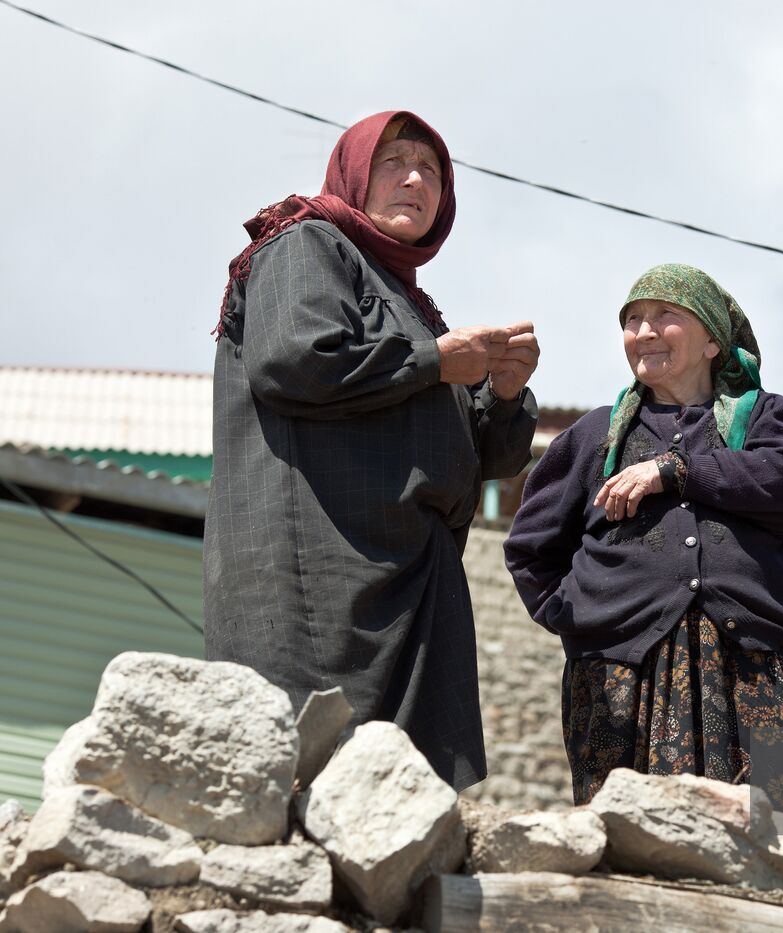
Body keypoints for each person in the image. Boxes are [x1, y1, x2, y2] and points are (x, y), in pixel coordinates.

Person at [203, 111, 540, 791]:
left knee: (406, 797)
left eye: (432, 171)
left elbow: (487, 456)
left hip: (413, 578)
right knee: (308, 777)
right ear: (354, 174)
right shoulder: (305, 244)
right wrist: (433, 360)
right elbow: (295, 361)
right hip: (322, 569)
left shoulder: (412, 303)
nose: (416, 180)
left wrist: (503, 393)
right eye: (394, 162)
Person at [503, 263, 783, 807]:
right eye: (633, 320)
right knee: (626, 833)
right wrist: (581, 619)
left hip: (759, 662)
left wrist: (675, 471)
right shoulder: (595, 435)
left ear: (712, 342)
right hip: (620, 673)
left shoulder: (766, 420)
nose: (645, 331)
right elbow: (531, 547)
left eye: (665, 315)